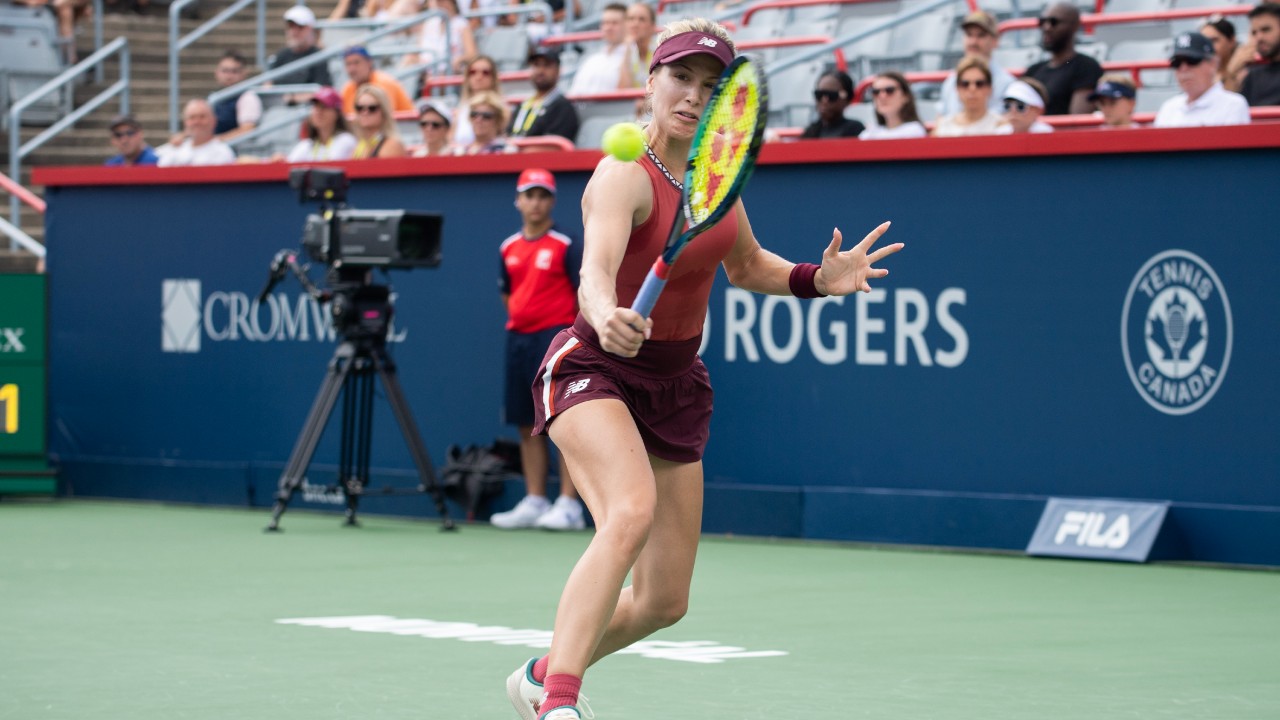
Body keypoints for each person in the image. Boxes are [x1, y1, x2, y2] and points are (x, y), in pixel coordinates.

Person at [503, 18, 902, 720]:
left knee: (664, 601)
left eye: (709, 87)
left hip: (675, 383)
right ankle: (557, 703)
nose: (691, 96)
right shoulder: (621, 173)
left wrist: (817, 278)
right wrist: (607, 314)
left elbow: (747, 264)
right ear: (651, 81)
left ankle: (541, 671)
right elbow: (594, 271)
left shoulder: (716, 177)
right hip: (594, 365)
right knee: (627, 513)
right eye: (680, 78)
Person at [489, 168, 588, 532]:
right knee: (525, 421)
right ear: (518, 201)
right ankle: (535, 499)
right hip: (519, 339)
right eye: (529, 195)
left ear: (552, 201)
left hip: (556, 340)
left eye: (542, 195)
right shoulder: (508, 247)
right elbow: (508, 295)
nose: (535, 202)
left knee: (562, 422)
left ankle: (568, 503)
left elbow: (585, 293)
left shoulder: (565, 244)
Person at [1154, 32, 1251, 127]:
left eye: (1192, 60)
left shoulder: (1233, 105)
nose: (1183, 68)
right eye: (1176, 63)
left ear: (1213, 63)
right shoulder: (1168, 108)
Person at [1024, 2, 1104, 115]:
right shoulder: (1033, 70)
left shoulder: (1086, 67)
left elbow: (1078, 121)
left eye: (1054, 22)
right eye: (1042, 22)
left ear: (1074, 26)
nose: (1047, 27)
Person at [937, 10, 1016, 117]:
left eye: (981, 35)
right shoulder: (950, 80)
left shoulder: (1007, 84)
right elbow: (942, 120)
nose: (973, 42)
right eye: (969, 35)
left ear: (995, 41)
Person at [508, 47, 580, 142]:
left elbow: (553, 147)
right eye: (536, 65)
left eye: (547, 65)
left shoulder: (563, 107)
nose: (540, 71)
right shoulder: (523, 105)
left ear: (558, 71)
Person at [266, 6, 333, 104]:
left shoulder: (319, 57)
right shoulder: (281, 55)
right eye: (291, 26)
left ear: (310, 29)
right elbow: (268, 85)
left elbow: (322, 91)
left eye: (300, 27)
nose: (294, 32)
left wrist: (292, 99)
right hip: (278, 108)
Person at [933, 56, 1008, 136]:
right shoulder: (943, 127)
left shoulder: (1001, 127)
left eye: (979, 84)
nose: (972, 89)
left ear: (990, 89)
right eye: (965, 84)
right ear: (957, 89)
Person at [281, 87, 359, 162]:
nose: (318, 111)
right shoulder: (306, 145)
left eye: (324, 107)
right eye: (315, 106)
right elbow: (289, 166)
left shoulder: (346, 140)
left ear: (336, 113)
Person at [568, 3, 629, 95]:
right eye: (605, 23)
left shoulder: (633, 57)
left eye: (615, 23)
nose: (608, 27)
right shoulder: (591, 59)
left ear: (627, 26)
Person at [156, 100, 236, 167]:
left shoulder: (222, 152)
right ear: (185, 122)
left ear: (214, 120)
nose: (197, 122)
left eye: (202, 117)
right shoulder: (174, 148)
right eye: (192, 117)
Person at [340, 46, 416, 116]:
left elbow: (384, 118)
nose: (352, 69)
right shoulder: (348, 89)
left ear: (369, 62)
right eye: (348, 64)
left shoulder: (384, 83)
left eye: (357, 63)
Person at [408, 0, 477, 74]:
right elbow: (417, 51)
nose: (439, 4)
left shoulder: (461, 24)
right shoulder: (429, 23)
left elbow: (472, 54)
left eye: (442, 1)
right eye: (437, 1)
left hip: (449, 72)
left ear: (452, 2)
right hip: (425, 73)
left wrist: (458, 60)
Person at [211, 50, 263, 143]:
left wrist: (215, 142)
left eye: (234, 71)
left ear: (244, 73)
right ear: (217, 73)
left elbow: (247, 130)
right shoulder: (215, 97)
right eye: (225, 71)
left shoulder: (248, 97)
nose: (229, 76)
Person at [452, 55, 503, 147]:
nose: (479, 77)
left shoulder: (502, 109)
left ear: (494, 78)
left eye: (485, 73)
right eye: (472, 72)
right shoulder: (460, 109)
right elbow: (450, 140)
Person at [859, 71, 927, 139]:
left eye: (889, 90)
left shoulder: (914, 131)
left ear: (905, 96)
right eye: (876, 92)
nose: (882, 96)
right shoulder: (869, 133)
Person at [801, 70, 865, 138]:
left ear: (846, 98)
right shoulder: (811, 131)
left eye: (831, 95)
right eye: (819, 95)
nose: (824, 101)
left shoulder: (854, 129)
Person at [1239, 3, 1280, 106]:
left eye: (1266, 29)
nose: (1259, 38)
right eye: (1254, 32)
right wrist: (1231, 71)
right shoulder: (1252, 75)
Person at [351, 85, 408, 159]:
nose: (365, 112)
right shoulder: (359, 145)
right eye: (360, 108)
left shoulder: (392, 145)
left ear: (384, 112)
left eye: (372, 108)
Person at [453, 90, 510, 154]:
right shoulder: (460, 151)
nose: (478, 120)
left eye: (486, 116)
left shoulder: (506, 151)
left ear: (498, 120)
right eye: (474, 114)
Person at [618, 1, 658, 89]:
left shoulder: (661, 51)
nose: (635, 24)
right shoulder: (621, 51)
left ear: (652, 26)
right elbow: (623, 90)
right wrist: (627, 50)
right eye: (631, 19)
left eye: (642, 19)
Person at [1201, 15, 1246, 92]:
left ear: (1232, 40)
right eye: (1204, 41)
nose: (1208, 47)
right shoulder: (1199, 74)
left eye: (1214, 40)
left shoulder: (1247, 71)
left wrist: (1232, 71)